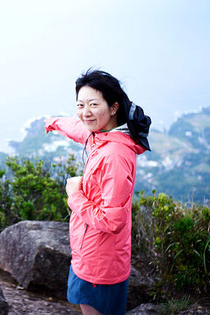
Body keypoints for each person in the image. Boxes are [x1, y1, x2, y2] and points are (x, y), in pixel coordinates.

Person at [44, 69, 151, 315]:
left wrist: (75, 196)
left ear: (113, 108)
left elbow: (112, 220)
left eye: (93, 104)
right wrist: (54, 122)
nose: (85, 112)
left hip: (99, 262)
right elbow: (80, 129)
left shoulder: (113, 154)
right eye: (80, 105)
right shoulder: (103, 137)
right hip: (95, 254)